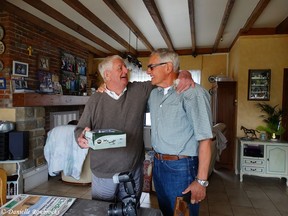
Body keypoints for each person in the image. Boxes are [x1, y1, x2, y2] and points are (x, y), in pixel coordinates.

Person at [74, 55, 194, 203]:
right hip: (103, 172)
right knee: (102, 211)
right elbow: (80, 129)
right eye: (120, 68)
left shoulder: (139, 90)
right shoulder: (95, 99)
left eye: (125, 66)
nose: (126, 70)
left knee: (131, 211)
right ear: (107, 75)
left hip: (133, 170)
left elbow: (165, 78)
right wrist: (80, 137)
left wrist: (184, 74)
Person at [147, 48, 213, 216]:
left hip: (181, 168)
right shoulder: (154, 95)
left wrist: (201, 181)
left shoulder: (193, 93)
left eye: (151, 67)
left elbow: (205, 139)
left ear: (168, 67)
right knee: (166, 212)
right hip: (158, 165)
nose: (148, 71)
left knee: (182, 213)